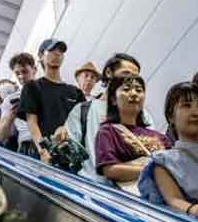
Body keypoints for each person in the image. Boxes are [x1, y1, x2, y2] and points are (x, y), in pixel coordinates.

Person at [139, 82, 198, 222]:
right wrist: (194, 209)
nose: (196, 112)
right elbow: (174, 200)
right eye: (186, 106)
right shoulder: (163, 161)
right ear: (171, 117)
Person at [65, 53, 153, 181]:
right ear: (108, 72)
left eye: (135, 76)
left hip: (130, 192)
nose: (129, 79)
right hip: (90, 187)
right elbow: (71, 151)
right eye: (125, 73)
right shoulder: (83, 110)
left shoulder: (143, 114)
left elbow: (151, 154)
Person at [95, 74, 171, 193]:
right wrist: (151, 170)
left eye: (139, 90)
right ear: (113, 99)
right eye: (126, 89)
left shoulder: (160, 137)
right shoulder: (108, 131)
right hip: (132, 200)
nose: (134, 93)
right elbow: (109, 169)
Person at [18, 39, 85, 163]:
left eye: (60, 51)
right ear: (41, 56)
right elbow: (32, 122)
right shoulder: (32, 87)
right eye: (52, 50)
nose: (57, 54)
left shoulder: (75, 92)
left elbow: (81, 123)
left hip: (72, 157)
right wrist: (43, 151)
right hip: (46, 155)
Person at [0, 53, 36, 155]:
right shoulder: (11, 100)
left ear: (34, 70)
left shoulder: (47, 92)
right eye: (17, 73)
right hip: (27, 148)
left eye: (25, 71)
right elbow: (0, 136)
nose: (21, 76)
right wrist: (10, 117)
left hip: (48, 145)